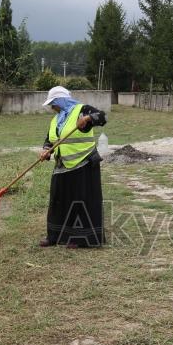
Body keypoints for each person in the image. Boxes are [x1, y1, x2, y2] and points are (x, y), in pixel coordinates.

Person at [38, 86, 107, 248]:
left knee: (80, 202)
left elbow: (102, 117)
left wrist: (88, 119)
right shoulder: (56, 119)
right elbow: (50, 139)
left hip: (83, 164)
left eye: (53, 103)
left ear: (61, 100)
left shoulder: (82, 110)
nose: (52, 107)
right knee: (57, 199)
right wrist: (46, 150)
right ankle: (54, 236)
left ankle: (80, 238)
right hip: (62, 165)